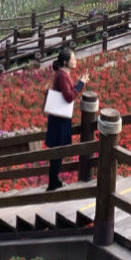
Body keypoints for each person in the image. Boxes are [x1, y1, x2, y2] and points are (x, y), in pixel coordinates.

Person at [44, 45, 89, 190]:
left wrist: (80, 83)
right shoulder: (63, 76)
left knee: (59, 151)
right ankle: (52, 183)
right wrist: (81, 84)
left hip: (59, 118)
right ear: (65, 62)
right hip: (59, 120)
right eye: (73, 59)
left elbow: (68, 92)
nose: (75, 61)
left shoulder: (63, 75)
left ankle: (54, 180)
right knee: (58, 151)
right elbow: (69, 96)